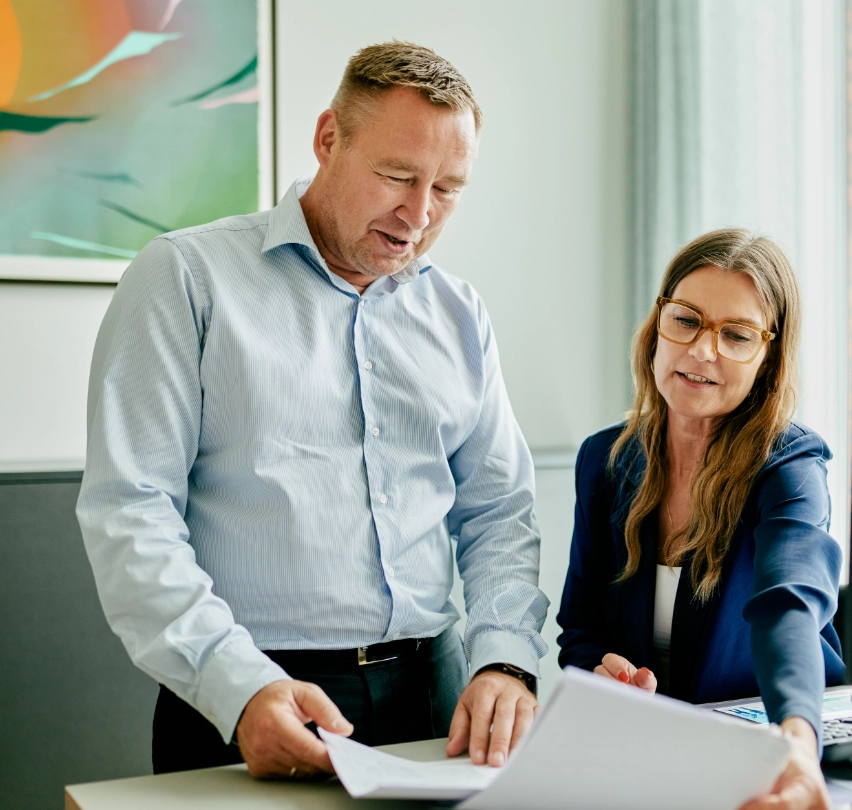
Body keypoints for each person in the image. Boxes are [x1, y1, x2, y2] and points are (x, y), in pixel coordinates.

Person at [77, 42, 548, 780]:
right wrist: (238, 688)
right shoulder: (186, 278)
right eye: (397, 175)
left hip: (438, 693)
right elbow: (130, 512)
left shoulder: (458, 312)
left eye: (448, 188)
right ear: (329, 139)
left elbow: (499, 511)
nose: (419, 214)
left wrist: (506, 660)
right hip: (253, 697)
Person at [557, 228, 845, 809]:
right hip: (652, 760)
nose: (701, 350)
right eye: (686, 320)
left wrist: (797, 742)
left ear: (768, 361)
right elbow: (581, 629)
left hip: (772, 752)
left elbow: (789, 606)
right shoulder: (605, 459)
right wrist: (606, 678)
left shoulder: (789, 467)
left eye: (736, 335)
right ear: (657, 325)